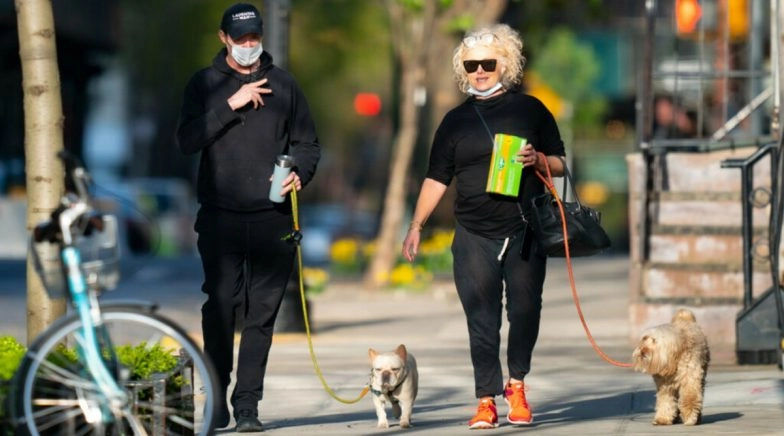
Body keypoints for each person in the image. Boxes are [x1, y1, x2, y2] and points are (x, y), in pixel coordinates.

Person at [401, 24, 565, 430]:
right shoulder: (455, 121)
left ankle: (517, 385)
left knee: (525, 311)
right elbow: (436, 177)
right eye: (471, 65)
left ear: (504, 64)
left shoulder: (532, 110)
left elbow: (561, 164)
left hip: (525, 229)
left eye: (487, 64)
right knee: (482, 319)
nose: (479, 72)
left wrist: (538, 160)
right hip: (473, 233)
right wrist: (416, 224)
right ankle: (486, 399)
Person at [175, 3, 320, 432]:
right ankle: (216, 400)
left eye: (255, 37)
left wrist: (300, 174)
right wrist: (230, 105)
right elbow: (186, 139)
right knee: (220, 308)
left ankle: (247, 408)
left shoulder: (285, 85)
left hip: (272, 218)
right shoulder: (203, 84)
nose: (249, 45)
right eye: (240, 39)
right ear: (224, 39)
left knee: (261, 315)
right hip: (219, 217)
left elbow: (308, 144)